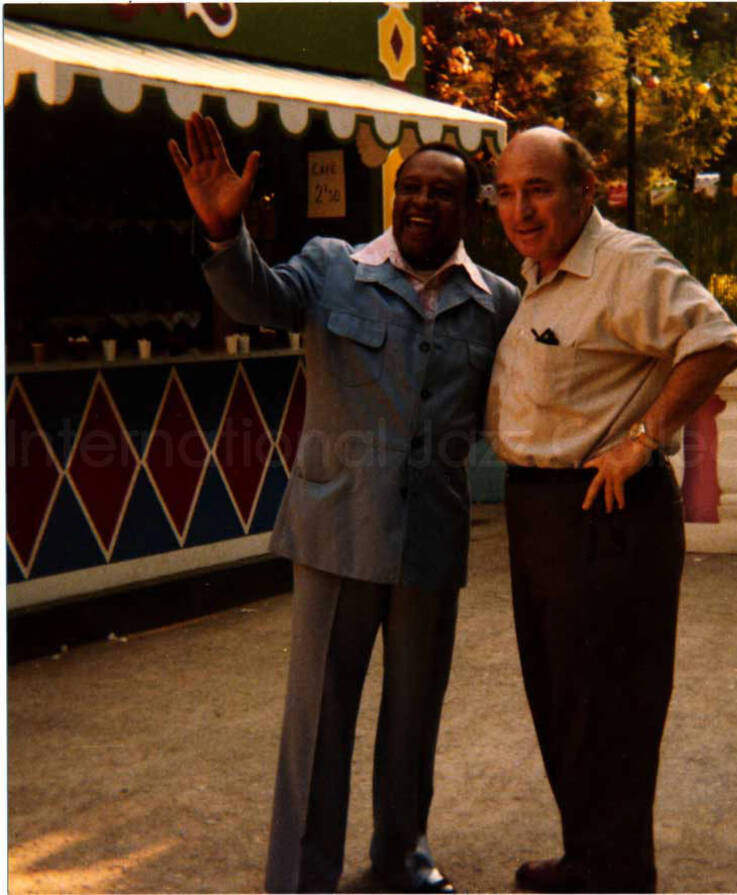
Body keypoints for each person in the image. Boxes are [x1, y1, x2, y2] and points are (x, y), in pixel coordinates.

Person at [168, 112, 519, 894]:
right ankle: (301, 875)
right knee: (320, 721)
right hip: (336, 531)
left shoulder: (497, 301)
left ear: (468, 209)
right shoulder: (334, 266)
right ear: (395, 197)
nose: (422, 202)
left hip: (432, 538)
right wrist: (224, 231)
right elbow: (259, 297)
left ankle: (402, 856)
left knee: (413, 714)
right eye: (411, 188)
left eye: (442, 191)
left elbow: (530, 400)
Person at [484, 126, 737, 893]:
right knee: (561, 691)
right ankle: (592, 856)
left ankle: (617, 867)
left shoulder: (626, 263)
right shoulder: (540, 273)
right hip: (540, 508)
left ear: (584, 191)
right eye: (505, 191)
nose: (519, 207)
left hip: (606, 507)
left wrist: (644, 436)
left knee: (612, 698)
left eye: (537, 188)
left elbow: (716, 340)